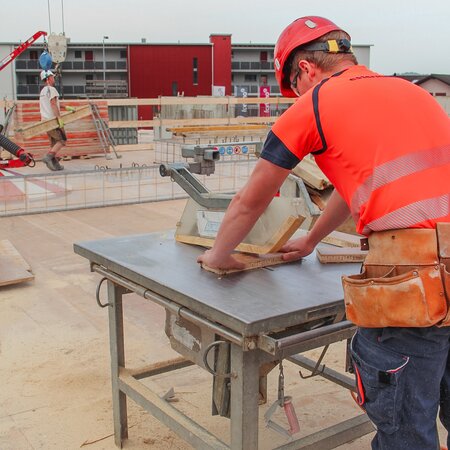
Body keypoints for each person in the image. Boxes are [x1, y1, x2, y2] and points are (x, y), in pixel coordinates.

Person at [197, 16, 450, 450]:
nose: (295, 96)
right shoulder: (414, 93)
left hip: (415, 283)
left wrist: (219, 256)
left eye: (293, 86)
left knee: (406, 428)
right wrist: (311, 240)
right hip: (442, 265)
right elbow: (359, 186)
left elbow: (252, 199)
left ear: (305, 70)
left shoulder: (314, 104)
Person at [39, 70, 65, 171]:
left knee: (54, 143)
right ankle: (48, 157)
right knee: (62, 140)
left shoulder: (43, 91)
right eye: (53, 77)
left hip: (45, 121)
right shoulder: (51, 89)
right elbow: (53, 104)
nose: (54, 79)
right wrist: (59, 120)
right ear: (49, 78)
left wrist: (66, 107)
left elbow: (53, 103)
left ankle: (56, 165)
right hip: (52, 121)